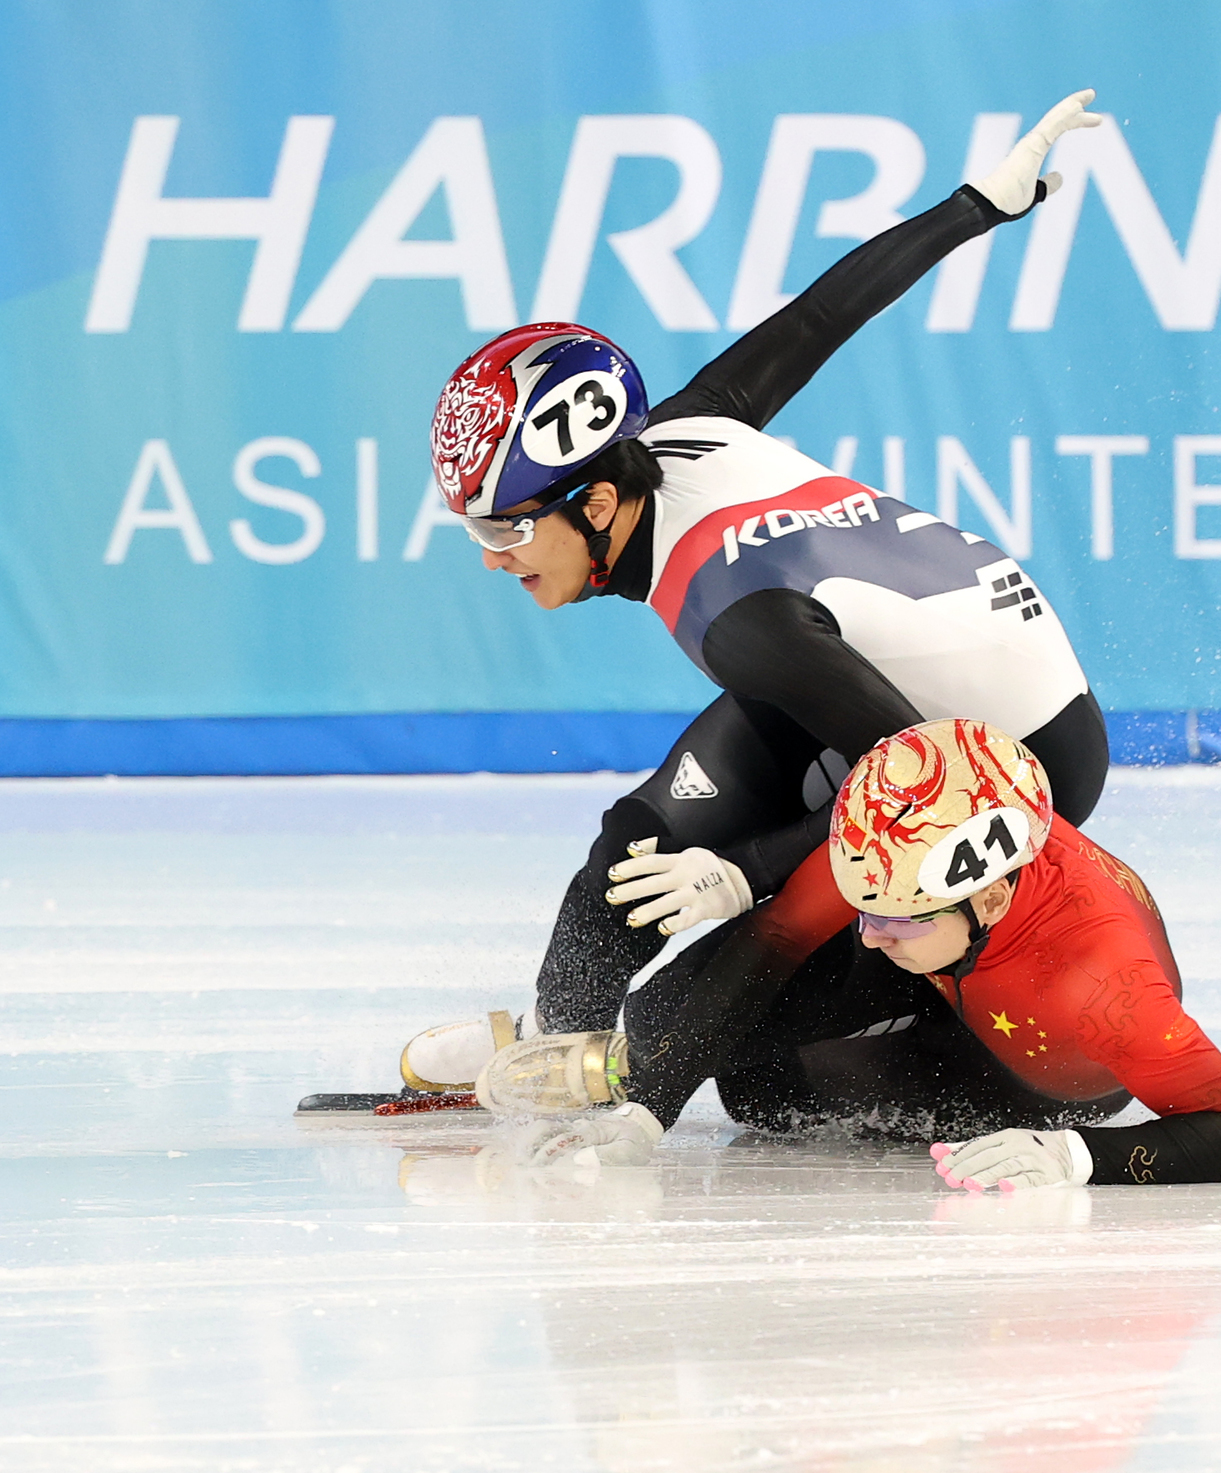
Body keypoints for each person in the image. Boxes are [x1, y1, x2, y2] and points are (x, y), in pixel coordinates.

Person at [401, 92, 1114, 1099]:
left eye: (503, 528)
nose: (490, 557)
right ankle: (552, 1048)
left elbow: (930, 782)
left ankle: (1019, 1054)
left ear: (598, 502)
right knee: (632, 855)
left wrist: (752, 870)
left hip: (1016, 762)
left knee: (759, 1076)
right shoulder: (682, 430)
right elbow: (823, 315)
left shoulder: (740, 618)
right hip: (873, 685)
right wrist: (973, 205)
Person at [475, 719, 1221, 1190]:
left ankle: (639, 1056)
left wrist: (1077, 1156)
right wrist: (651, 1105)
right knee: (680, 1023)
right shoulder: (905, 848)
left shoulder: (1107, 989)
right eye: (867, 908)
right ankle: (630, 1060)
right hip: (958, 961)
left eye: (891, 918)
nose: (866, 931)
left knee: (761, 1091)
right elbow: (776, 936)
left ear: (991, 896)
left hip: (1038, 1059)